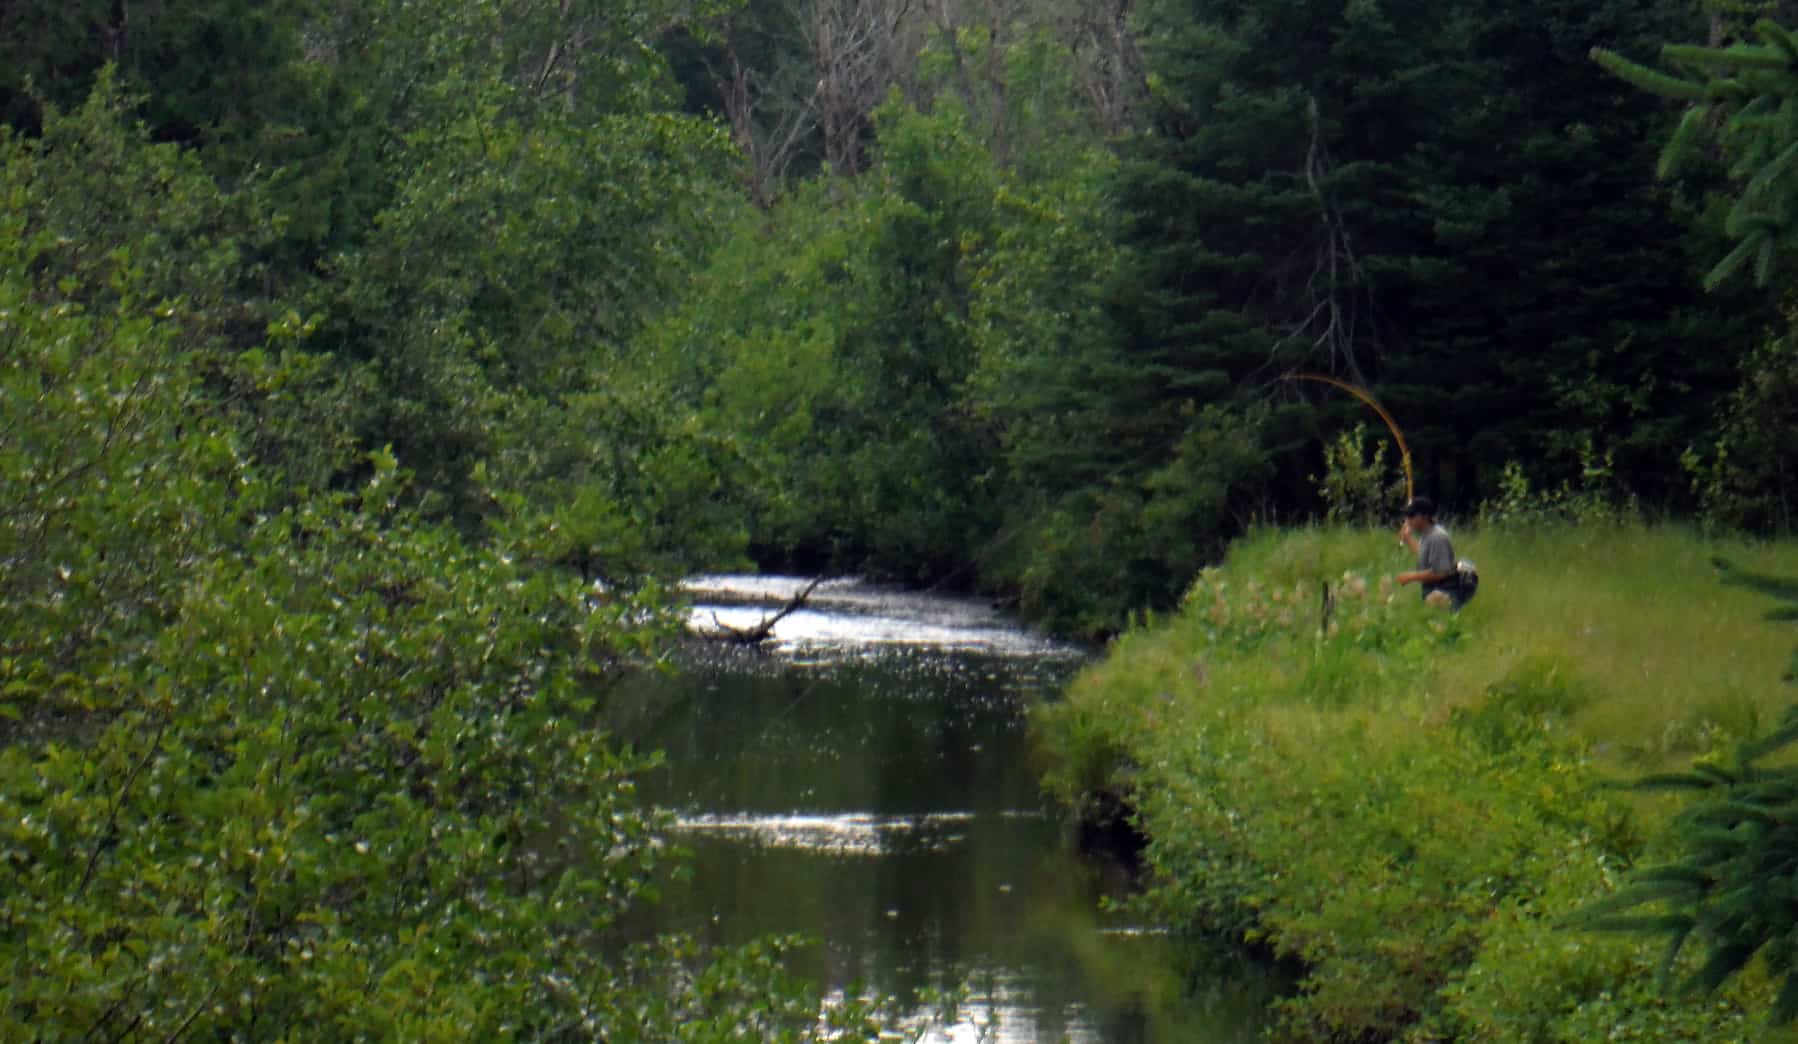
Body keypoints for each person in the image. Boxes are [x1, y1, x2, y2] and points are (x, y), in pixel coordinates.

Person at [1396, 496, 1464, 609]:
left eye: (1412, 515)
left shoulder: (1437, 537)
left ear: (1426, 516)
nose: (1408, 520)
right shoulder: (1427, 534)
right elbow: (1424, 556)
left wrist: (1410, 577)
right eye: (1407, 516)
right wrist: (1408, 539)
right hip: (1433, 592)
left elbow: (1440, 572)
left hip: (1444, 594)